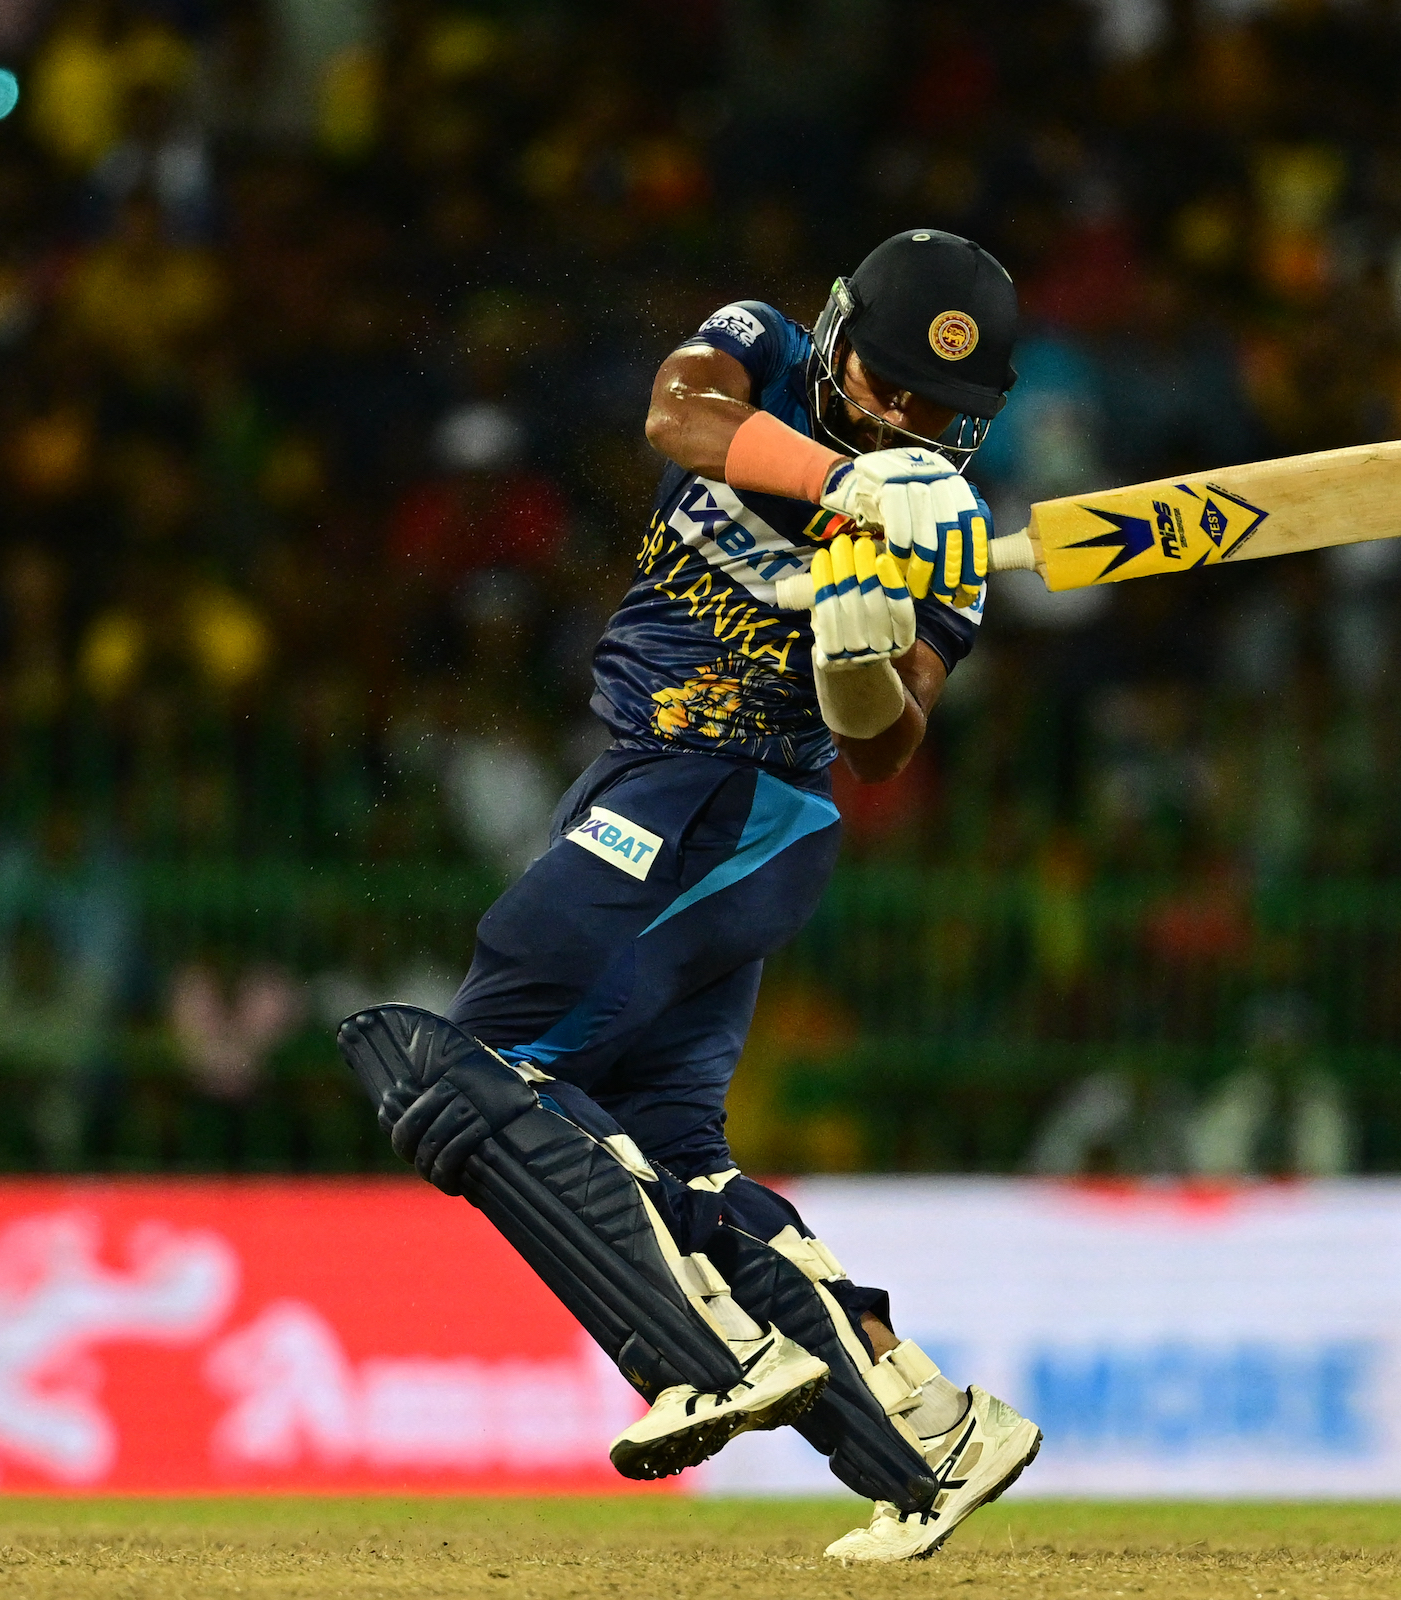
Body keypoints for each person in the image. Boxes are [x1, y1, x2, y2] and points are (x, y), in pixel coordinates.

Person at [336, 230, 1038, 1561]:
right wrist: (851, 483)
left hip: (726, 804)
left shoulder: (941, 545)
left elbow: (889, 745)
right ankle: (923, 1429)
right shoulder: (763, 347)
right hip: (663, 784)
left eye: (939, 414)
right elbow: (680, 415)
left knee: (464, 1062)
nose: (908, 421)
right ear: (838, 338)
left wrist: (857, 655)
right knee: (675, 1155)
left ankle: (702, 1349)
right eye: (891, 387)